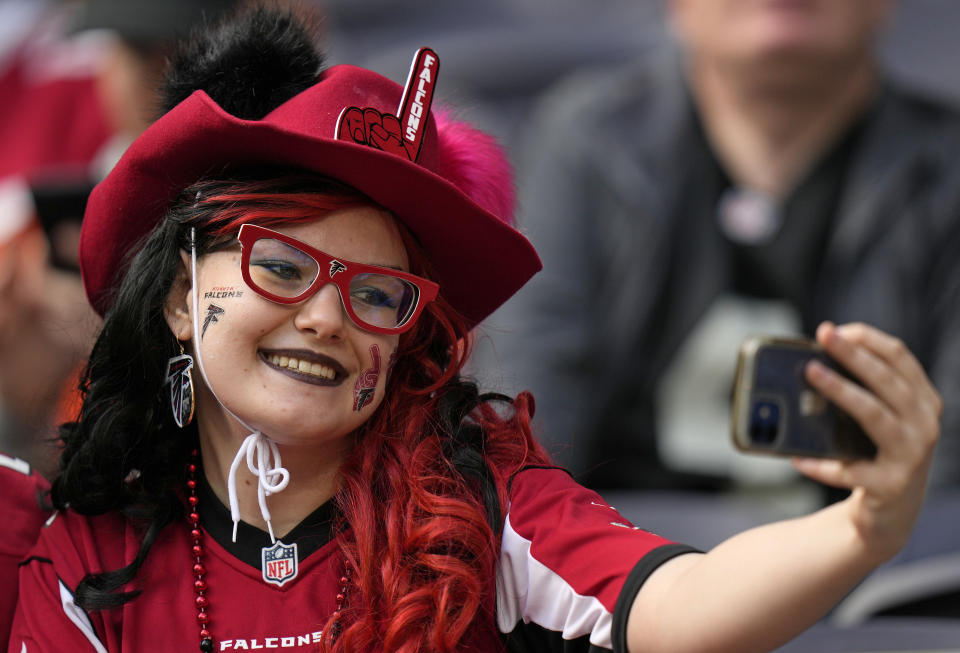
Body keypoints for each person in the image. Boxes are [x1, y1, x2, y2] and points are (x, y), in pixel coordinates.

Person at [8, 6, 942, 653]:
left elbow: (682, 612)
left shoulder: (480, 499)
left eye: (378, 294)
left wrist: (867, 524)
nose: (328, 315)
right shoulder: (88, 551)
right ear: (180, 295)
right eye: (282, 268)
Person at [477, 0, 960, 494]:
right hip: (620, 556)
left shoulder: (949, 172)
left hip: (885, 559)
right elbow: (524, 433)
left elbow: (949, 480)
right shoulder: (587, 143)